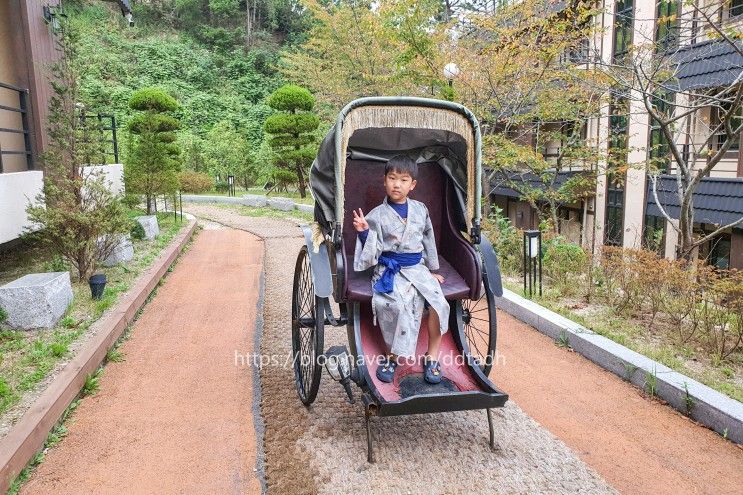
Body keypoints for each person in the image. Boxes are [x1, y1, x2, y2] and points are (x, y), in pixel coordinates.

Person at [352, 154, 449, 385]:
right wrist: (365, 232)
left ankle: (432, 356)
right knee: (396, 304)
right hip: (390, 269)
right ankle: (392, 356)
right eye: (392, 178)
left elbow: (428, 238)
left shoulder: (420, 209)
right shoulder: (376, 215)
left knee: (439, 304)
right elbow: (372, 252)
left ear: (412, 185)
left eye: (403, 180)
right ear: (384, 181)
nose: (397, 184)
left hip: (417, 268)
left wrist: (432, 269)